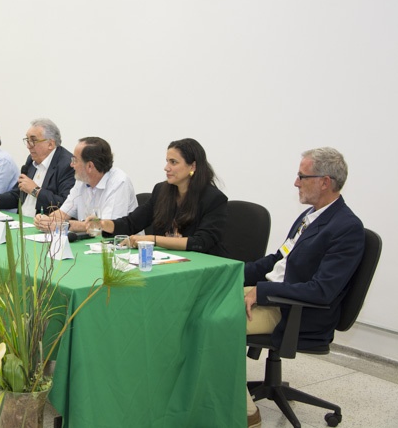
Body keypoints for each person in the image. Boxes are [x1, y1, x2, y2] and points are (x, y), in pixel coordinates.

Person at [243, 147, 364, 428]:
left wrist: (260, 291)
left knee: (216, 321)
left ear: (325, 181)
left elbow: (321, 291)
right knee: (201, 303)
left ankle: (247, 412)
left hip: (292, 310)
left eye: (302, 176)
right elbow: (277, 260)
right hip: (272, 295)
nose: (296, 182)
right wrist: (232, 273)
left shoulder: (347, 228)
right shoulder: (310, 217)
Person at [97, 138, 228, 256]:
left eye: (173, 162)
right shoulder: (161, 190)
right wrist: (101, 224)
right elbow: (132, 223)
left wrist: (152, 240)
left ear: (192, 166)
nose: (166, 168)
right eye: (167, 162)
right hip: (167, 260)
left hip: (204, 264)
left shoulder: (213, 198)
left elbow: (201, 242)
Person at [34, 136, 137, 233]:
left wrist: (66, 225)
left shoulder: (119, 182)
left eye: (75, 160)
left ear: (89, 166)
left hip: (122, 247)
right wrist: (46, 220)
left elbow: (105, 227)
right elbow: (64, 213)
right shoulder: (81, 181)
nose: (71, 164)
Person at [0, 118, 75, 217]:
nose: (28, 145)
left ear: (50, 144)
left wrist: (35, 191)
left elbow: (66, 205)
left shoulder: (67, 165)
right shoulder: (31, 160)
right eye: (27, 140)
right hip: (21, 222)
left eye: (33, 140)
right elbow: (17, 195)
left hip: (44, 226)